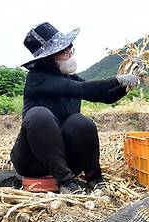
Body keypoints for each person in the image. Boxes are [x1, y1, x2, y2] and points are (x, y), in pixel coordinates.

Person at [11, 22, 141, 195]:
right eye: (65, 52)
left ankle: (94, 179)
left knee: (81, 122)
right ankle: (65, 182)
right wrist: (118, 79)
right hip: (33, 161)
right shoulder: (37, 79)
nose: (70, 55)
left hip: (66, 160)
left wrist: (127, 84)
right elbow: (82, 90)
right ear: (49, 58)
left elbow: (104, 96)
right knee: (38, 115)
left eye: (70, 50)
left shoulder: (69, 78)